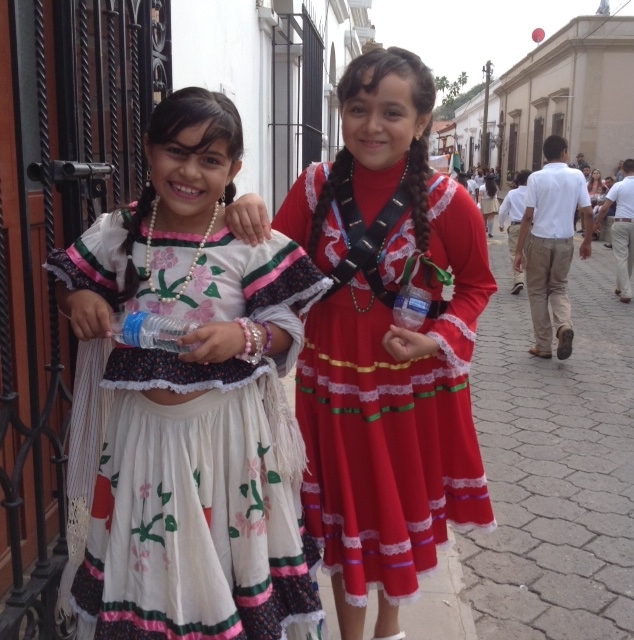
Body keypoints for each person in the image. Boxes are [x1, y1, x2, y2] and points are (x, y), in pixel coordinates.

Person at [226, 46, 497, 640]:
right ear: (342, 113)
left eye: (393, 112)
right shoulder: (316, 184)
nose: (373, 126)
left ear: (422, 123)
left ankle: (390, 627)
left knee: (391, 507)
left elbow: (478, 285)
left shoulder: (451, 202)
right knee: (345, 513)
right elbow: (267, 255)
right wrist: (239, 204)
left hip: (410, 391)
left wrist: (439, 339)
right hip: (330, 388)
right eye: (358, 108)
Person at [44, 87, 330, 640]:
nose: (190, 172)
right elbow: (73, 284)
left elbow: (288, 331)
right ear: (149, 154)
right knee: (149, 550)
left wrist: (241, 334)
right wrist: (78, 301)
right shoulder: (118, 231)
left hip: (225, 442)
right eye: (176, 152)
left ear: (233, 169)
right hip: (140, 441)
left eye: (210, 160)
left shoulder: (250, 241)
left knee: (221, 555)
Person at [514, 135, 593, 360]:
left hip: (539, 240)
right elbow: (587, 211)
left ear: (545, 155)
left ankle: (543, 345)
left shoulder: (537, 178)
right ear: (564, 152)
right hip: (565, 241)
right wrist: (587, 241)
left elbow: (528, 216)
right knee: (559, 287)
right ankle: (564, 326)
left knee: (538, 291)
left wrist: (519, 250)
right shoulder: (577, 175)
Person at [594, 158, 634, 303]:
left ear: (622, 170)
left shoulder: (619, 185)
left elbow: (605, 207)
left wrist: (597, 222)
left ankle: (624, 289)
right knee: (632, 257)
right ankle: (623, 288)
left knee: (622, 257)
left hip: (620, 223)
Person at [498, 169, 532, 294]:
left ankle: (519, 279)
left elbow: (502, 211)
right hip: (531, 227)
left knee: (514, 252)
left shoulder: (512, 194)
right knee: (529, 253)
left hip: (516, 226)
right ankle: (531, 280)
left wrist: (501, 224)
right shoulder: (535, 194)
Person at [586, 168, 606, 239]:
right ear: (592, 175)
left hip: (599, 202)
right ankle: (588, 233)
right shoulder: (589, 183)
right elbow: (585, 192)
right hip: (590, 202)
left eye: (597, 173)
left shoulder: (603, 182)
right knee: (589, 218)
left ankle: (595, 233)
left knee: (596, 217)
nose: (596, 174)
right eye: (594, 173)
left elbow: (606, 192)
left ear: (600, 174)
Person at [479, 173, 499, 237]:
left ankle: (483, 232)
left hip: (485, 202)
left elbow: (480, 195)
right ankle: (490, 232)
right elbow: (497, 194)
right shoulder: (495, 187)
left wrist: (479, 203)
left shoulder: (482, 187)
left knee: (484, 218)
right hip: (493, 201)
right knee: (491, 217)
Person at [601, 176, 617, 247]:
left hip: (614, 210)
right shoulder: (609, 189)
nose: (607, 184)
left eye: (609, 182)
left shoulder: (616, 188)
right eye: (606, 183)